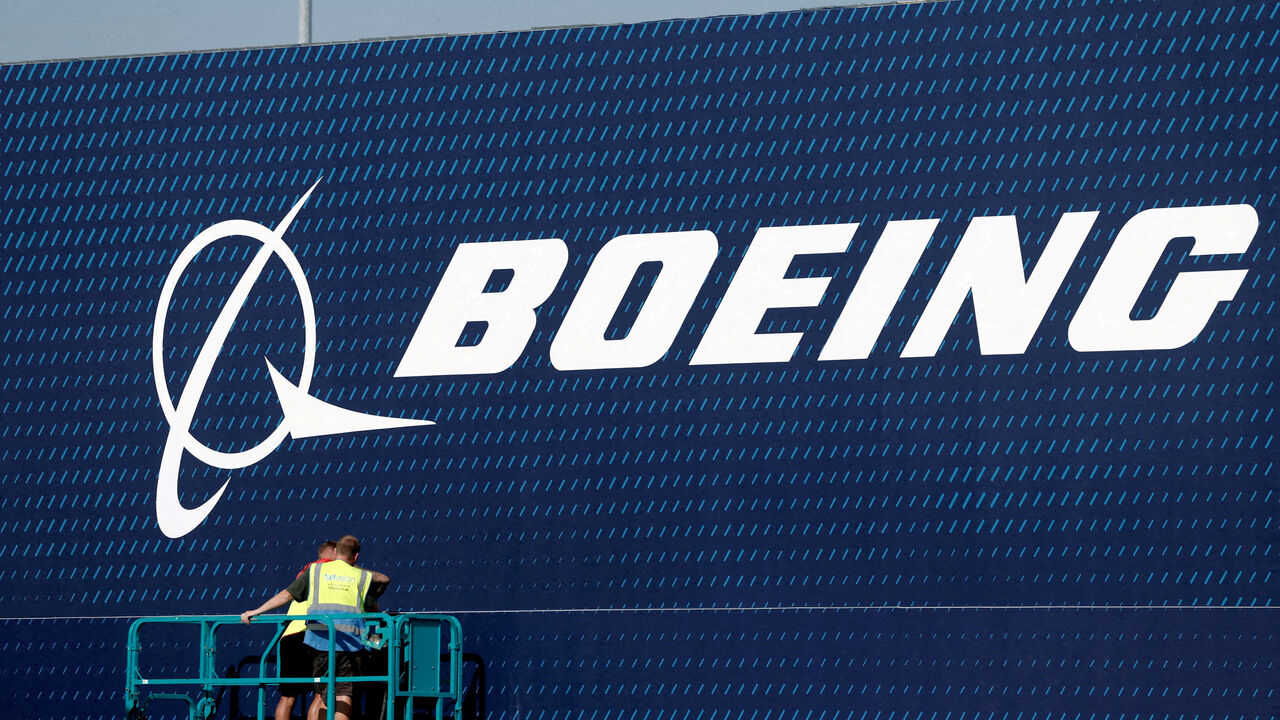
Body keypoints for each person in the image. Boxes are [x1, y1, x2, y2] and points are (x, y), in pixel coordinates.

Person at [242, 535, 389, 720]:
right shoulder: (361, 576)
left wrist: (257, 610)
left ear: (336, 552)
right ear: (357, 556)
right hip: (351, 644)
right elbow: (376, 608)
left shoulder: (314, 571)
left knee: (318, 696)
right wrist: (378, 633)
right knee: (343, 696)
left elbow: (286, 595)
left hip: (319, 641)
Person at [242, 540, 337, 720]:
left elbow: (287, 595)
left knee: (288, 696)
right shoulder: (332, 572)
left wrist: (255, 611)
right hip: (315, 635)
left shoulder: (307, 571)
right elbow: (286, 595)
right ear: (333, 553)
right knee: (321, 694)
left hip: (290, 636)